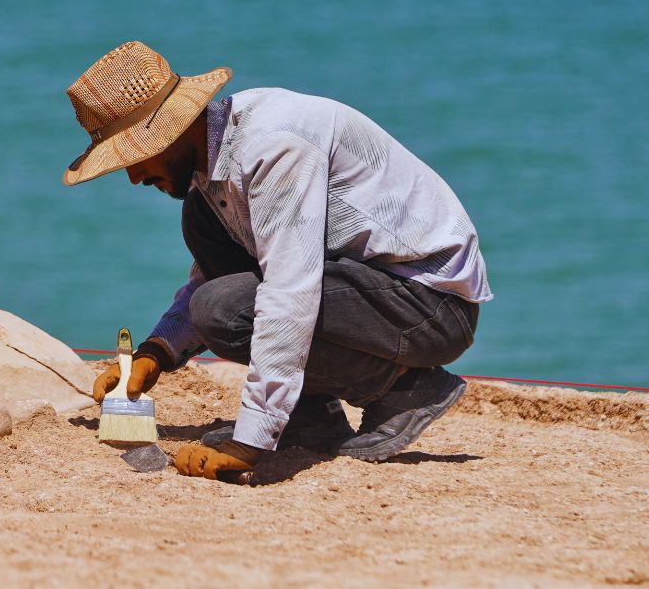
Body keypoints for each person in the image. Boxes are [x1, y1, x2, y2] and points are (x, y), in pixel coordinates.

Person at [64, 41, 491, 481]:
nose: (134, 177)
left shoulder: (273, 148)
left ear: (172, 132)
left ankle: (405, 389)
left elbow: (288, 289)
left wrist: (250, 441)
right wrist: (156, 352)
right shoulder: (219, 161)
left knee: (223, 310)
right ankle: (310, 418)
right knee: (203, 233)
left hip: (430, 305)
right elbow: (224, 276)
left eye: (135, 159)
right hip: (372, 291)